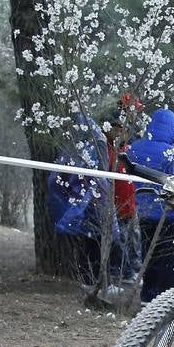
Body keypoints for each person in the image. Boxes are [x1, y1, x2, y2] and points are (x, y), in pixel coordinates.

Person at [47, 111, 118, 295]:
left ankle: (89, 280)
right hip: (95, 200)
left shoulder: (74, 145)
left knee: (89, 243)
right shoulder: (97, 142)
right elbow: (102, 173)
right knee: (99, 242)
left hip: (82, 200)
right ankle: (102, 283)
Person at [126, 107, 174, 303]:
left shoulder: (134, 147)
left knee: (149, 257)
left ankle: (147, 298)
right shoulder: (172, 154)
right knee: (171, 262)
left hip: (143, 211)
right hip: (170, 214)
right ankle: (169, 302)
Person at [103, 111, 142, 285]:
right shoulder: (106, 150)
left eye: (123, 129)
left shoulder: (126, 150)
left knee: (132, 241)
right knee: (120, 241)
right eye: (118, 128)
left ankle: (133, 269)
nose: (121, 132)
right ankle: (122, 273)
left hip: (129, 204)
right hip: (116, 204)